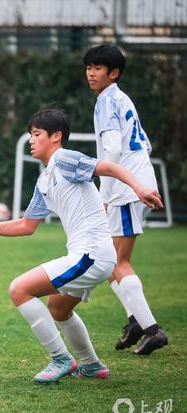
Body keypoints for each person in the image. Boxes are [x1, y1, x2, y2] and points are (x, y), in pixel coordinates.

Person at [0, 109, 162, 383]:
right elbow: (26, 225)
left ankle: (60, 358)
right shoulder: (45, 179)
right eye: (30, 135)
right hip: (90, 256)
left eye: (36, 134)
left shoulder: (65, 159)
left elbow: (109, 168)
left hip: (90, 255)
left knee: (19, 289)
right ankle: (92, 365)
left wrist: (139, 188)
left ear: (56, 136)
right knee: (59, 309)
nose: (31, 140)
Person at [84, 44, 168, 355]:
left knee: (117, 262)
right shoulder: (120, 98)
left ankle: (152, 330)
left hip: (124, 189)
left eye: (98, 68)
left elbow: (114, 150)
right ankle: (136, 321)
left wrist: (106, 194)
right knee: (109, 262)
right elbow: (144, 144)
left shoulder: (108, 101)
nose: (91, 73)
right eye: (88, 67)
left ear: (114, 73)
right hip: (133, 184)